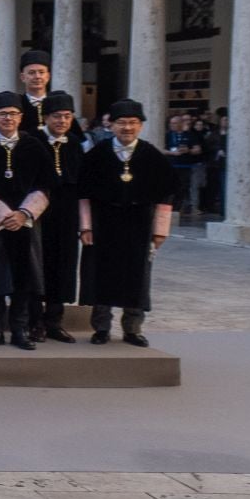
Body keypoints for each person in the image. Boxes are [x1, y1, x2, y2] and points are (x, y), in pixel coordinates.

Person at [81, 99, 174, 347]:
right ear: (110, 125)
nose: (127, 128)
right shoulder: (97, 155)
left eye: (133, 123)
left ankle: (132, 328)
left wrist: (160, 231)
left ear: (141, 126)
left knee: (137, 276)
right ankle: (101, 327)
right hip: (104, 224)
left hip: (140, 224)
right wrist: (86, 226)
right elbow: (83, 193)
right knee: (102, 275)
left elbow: (167, 195)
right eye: (121, 123)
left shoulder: (151, 155)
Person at [0, 92, 55, 350]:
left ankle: (20, 329)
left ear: (21, 117)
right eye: (3, 114)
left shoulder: (34, 147)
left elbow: (45, 184)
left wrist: (23, 213)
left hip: (25, 222)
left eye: (13, 114)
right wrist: (3, 215)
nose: (8, 118)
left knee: (23, 277)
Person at [33, 91, 84, 343]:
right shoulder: (32, 141)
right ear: (46, 118)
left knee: (62, 266)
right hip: (38, 215)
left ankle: (54, 320)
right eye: (56, 116)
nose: (62, 121)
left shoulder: (75, 144)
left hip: (66, 216)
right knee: (37, 265)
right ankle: (34, 321)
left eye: (67, 116)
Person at [164, 113, 202, 216]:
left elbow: (198, 149)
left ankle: (177, 210)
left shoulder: (189, 135)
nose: (172, 125)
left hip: (185, 167)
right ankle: (168, 209)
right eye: (171, 123)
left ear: (181, 123)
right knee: (169, 188)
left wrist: (188, 150)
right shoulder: (167, 135)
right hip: (171, 166)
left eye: (175, 123)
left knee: (182, 188)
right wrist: (172, 153)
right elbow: (160, 149)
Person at [17, 51, 53, 133]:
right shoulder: (16, 105)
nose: (37, 76)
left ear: (48, 76)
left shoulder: (59, 104)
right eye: (31, 73)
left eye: (41, 72)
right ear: (22, 77)